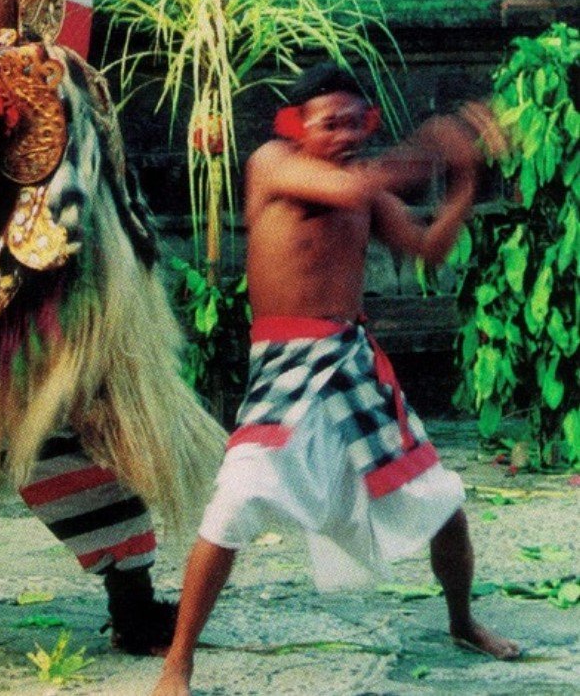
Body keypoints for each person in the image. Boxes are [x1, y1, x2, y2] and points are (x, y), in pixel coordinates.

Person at [154, 64, 520, 695]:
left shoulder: (366, 188)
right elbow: (352, 191)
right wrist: (438, 144)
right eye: (332, 123)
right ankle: (177, 663)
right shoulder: (273, 163)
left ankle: (463, 621)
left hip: (352, 362)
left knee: (444, 502)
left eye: (358, 121)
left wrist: (463, 179)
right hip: (285, 364)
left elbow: (427, 249)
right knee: (237, 500)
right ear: (298, 127)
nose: (348, 134)